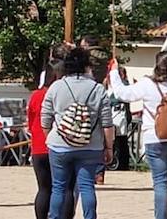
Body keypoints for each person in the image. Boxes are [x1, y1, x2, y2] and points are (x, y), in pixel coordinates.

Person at [108, 51, 167, 219]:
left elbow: (122, 94)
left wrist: (114, 71)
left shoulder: (147, 84)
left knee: (160, 183)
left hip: (155, 138)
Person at [43, 44, 114, 219]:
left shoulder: (56, 87)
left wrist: (50, 137)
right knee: (87, 186)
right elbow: (107, 123)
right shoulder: (97, 89)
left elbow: (45, 119)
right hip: (90, 146)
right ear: (86, 65)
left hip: (59, 145)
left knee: (58, 187)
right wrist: (109, 148)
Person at [31, 61, 71, 219]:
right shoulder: (64, 94)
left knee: (43, 188)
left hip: (39, 146)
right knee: (66, 188)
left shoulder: (36, 95)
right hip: (61, 145)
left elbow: (31, 122)